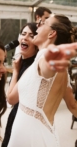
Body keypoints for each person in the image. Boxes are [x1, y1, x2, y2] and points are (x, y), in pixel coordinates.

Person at [7, 14, 77, 147]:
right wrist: (16, 70)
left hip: (33, 139)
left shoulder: (45, 57)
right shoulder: (39, 62)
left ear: (52, 33)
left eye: (43, 22)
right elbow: (73, 105)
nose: (37, 24)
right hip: (39, 135)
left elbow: (48, 65)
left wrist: (53, 56)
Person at [2, 23, 38, 147]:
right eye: (23, 34)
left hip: (24, 119)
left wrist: (16, 71)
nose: (25, 38)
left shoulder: (32, 67)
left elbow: (10, 98)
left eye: (31, 36)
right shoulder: (20, 62)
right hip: (16, 115)